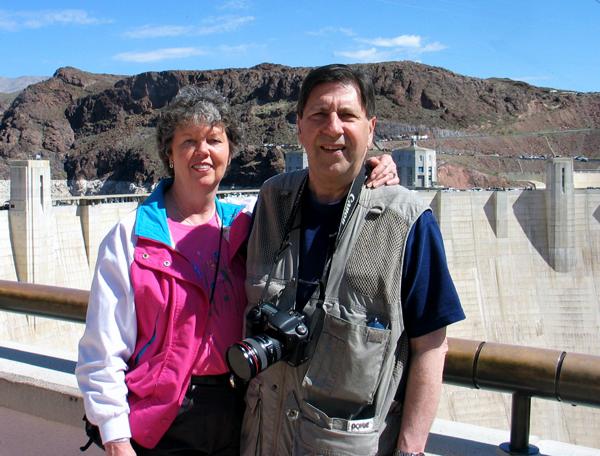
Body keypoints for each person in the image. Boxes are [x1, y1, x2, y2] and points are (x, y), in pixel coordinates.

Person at [76, 85, 400, 455]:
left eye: (214, 140)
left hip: (240, 418)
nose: (203, 152)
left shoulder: (249, 225)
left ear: (230, 150)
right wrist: (117, 440)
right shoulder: (131, 237)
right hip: (159, 424)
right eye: (188, 141)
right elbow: (102, 351)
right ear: (169, 152)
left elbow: (322, 193)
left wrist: (374, 165)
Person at [239, 64, 465, 456]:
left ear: (371, 127)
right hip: (263, 440)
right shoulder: (271, 202)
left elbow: (431, 345)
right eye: (318, 115)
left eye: (347, 115)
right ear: (299, 127)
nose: (332, 128)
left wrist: (410, 450)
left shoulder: (408, 222)